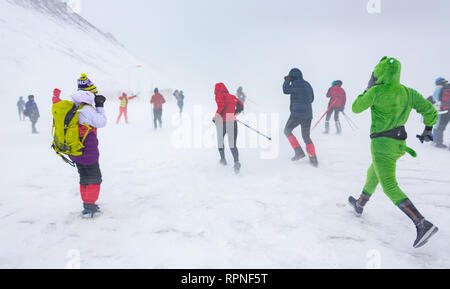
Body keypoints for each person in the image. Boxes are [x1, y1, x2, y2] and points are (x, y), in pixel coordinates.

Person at [349, 57, 439, 248]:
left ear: (378, 73)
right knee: (374, 172)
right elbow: (429, 110)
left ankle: (422, 223)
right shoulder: (408, 92)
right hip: (398, 143)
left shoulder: (376, 91)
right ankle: (360, 203)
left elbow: (356, 108)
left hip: (382, 144)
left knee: (389, 185)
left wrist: (367, 88)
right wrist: (428, 129)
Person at [70, 74, 107, 218]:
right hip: (88, 151)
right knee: (94, 177)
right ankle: (89, 207)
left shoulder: (74, 106)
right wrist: (100, 106)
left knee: (84, 176)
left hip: (75, 149)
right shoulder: (87, 109)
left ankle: (87, 204)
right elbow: (102, 122)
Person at [283, 68, 318, 167]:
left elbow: (285, 90)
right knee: (306, 136)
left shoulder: (294, 84)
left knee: (287, 130)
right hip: (308, 115)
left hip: (296, 114)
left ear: (292, 77)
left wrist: (286, 80)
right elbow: (311, 99)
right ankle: (313, 159)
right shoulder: (307, 84)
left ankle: (299, 152)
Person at [213, 83, 244, 174]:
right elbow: (241, 106)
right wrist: (234, 113)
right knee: (232, 144)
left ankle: (223, 160)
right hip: (232, 121)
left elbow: (221, 106)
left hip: (222, 122)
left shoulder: (219, 96)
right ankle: (237, 162)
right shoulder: (232, 96)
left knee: (220, 141)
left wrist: (216, 117)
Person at [432, 77, 450, 149]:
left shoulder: (438, 89)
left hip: (441, 110)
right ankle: (436, 140)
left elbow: (435, 100)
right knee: (439, 125)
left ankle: (436, 141)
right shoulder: (443, 89)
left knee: (439, 125)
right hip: (444, 109)